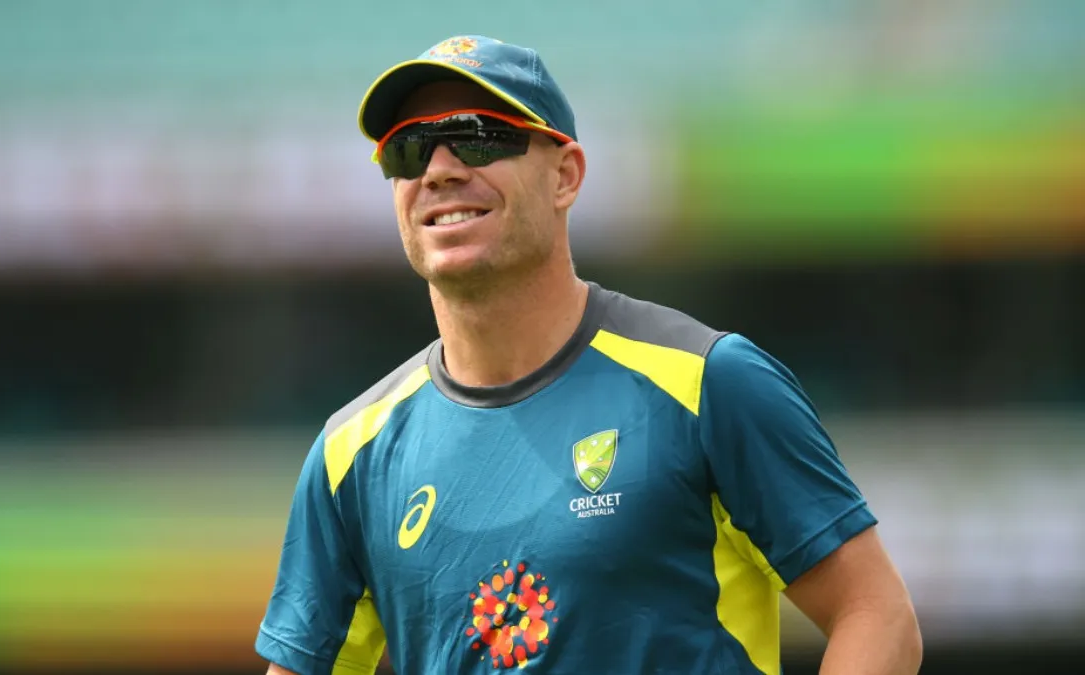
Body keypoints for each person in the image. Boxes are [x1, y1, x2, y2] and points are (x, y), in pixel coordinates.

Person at [255, 35, 922, 675]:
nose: (439, 170)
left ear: (565, 176)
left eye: (480, 137)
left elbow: (877, 616)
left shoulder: (708, 382)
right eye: (408, 149)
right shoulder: (350, 455)